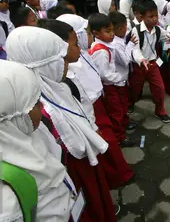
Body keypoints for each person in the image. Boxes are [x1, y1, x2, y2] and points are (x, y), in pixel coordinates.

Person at [6, 26, 116, 222]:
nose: (67, 65)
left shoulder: (57, 87)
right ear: (45, 65)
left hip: (81, 164)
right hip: (71, 170)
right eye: (61, 60)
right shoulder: (29, 109)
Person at [42, 17, 134, 190]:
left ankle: (117, 173)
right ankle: (118, 175)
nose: (89, 37)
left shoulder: (81, 55)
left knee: (108, 141)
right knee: (107, 144)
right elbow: (81, 97)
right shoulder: (66, 70)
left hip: (96, 103)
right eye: (81, 37)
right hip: (91, 110)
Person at [0, 60, 75, 222]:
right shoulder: (6, 201)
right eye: (34, 103)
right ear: (12, 117)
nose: (42, 105)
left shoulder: (30, 131)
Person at [88, 13, 135, 147]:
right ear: (96, 33)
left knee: (120, 108)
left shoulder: (108, 45)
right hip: (109, 86)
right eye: (107, 31)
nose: (112, 34)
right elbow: (104, 74)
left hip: (113, 84)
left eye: (111, 30)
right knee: (116, 112)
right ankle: (120, 137)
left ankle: (123, 126)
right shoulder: (101, 52)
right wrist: (119, 78)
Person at [129, 0, 170, 123]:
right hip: (139, 65)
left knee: (160, 88)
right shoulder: (136, 30)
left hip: (153, 64)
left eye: (156, 15)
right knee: (134, 89)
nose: (155, 19)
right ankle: (130, 104)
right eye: (150, 16)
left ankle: (160, 111)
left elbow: (168, 37)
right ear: (141, 17)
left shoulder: (157, 30)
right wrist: (141, 60)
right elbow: (135, 50)